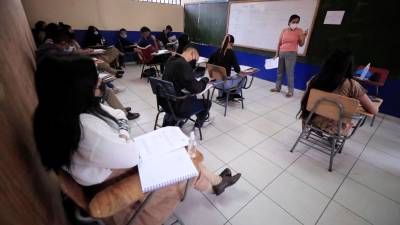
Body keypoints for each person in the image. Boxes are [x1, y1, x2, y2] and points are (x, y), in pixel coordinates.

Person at [33, 55, 241, 225]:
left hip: (113, 163)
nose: (99, 81)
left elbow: (116, 113)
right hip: (119, 177)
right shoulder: (86, 129)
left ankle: (217, 183)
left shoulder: (54, 115)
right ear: (77, 89)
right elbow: (129, 149)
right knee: (188, 159)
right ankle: (216, 183)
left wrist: (121, 126)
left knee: (183, 148)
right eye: (93, 78)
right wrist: (123, 131)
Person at [298, 49, 378, 134]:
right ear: (349, 66)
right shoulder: (352, 85)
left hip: (310, 120)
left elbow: (304, 101)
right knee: (349, 121)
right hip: (334, 128)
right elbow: (373, 111)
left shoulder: (315, 79)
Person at [162, 45, 212, 128]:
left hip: (165, 102)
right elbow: (196, 88)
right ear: (192, 53)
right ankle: (198, 124)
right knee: (207, 103)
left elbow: (180, 79)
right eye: (195, 59)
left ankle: (172, 120)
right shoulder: (183, 64)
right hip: (177, 106)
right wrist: (206, 79)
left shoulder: (171, 60)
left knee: (193, 98)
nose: (194, 62)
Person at [271, 14, 308, 97]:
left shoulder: (299, 31)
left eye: (297, 22)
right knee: (279, 72)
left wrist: (304, 36)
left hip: (291, 54)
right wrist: (276, 54)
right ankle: (277, 88)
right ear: (289, 21)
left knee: (289, 73)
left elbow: (301, 44)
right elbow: (279, 43)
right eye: (293, 22)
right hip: (281, 53)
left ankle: (290, 91)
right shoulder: (284, 30)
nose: (295, 23)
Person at [208, 34, 245, 100]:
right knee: (243, 77)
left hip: (216, 83)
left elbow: (209, 62)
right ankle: (235, 94)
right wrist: (242, 71)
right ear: (231, 43)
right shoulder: (231, 53)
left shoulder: (218, 51)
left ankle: (221, 95)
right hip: (225, 85)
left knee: (221, 75)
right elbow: (237, 69)